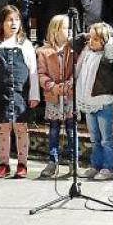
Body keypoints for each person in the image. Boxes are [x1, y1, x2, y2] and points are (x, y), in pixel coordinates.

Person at [0, 6, 40, 179]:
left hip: (20, 93)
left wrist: (34, 94)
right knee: (3, 129)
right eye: (9, 20)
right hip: (1, 93)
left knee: (21, 128)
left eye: (16, 19)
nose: (13, 23)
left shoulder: (25, 44)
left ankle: (22, 164)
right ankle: (4, 164)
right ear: (1, 23)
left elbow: (33, 71)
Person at [74, 22, 113, 181]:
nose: (91, 41)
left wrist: (109, 42)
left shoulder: (106, 56)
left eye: (95, 39)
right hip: (89, 101)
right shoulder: (87, 53)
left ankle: (108, 168)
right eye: (90, 38)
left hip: (102, 102)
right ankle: (96, 166)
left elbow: (109, 57)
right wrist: (87, 35)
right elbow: (73, 42)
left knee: (106, 139)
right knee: (94, 138)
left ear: (105, 41)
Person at [36, 15, 75, 179]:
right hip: (53, 96)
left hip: (69, 96)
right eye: (66, 28)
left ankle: (73, 161)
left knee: (71, 129)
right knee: (53, 130)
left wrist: (69, 84)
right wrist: (52, 86)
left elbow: (77, 69)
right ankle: (53, 161)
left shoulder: (72, 50)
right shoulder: (44, 52)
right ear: (55, 30)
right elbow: (41, 74)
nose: (70, 31)